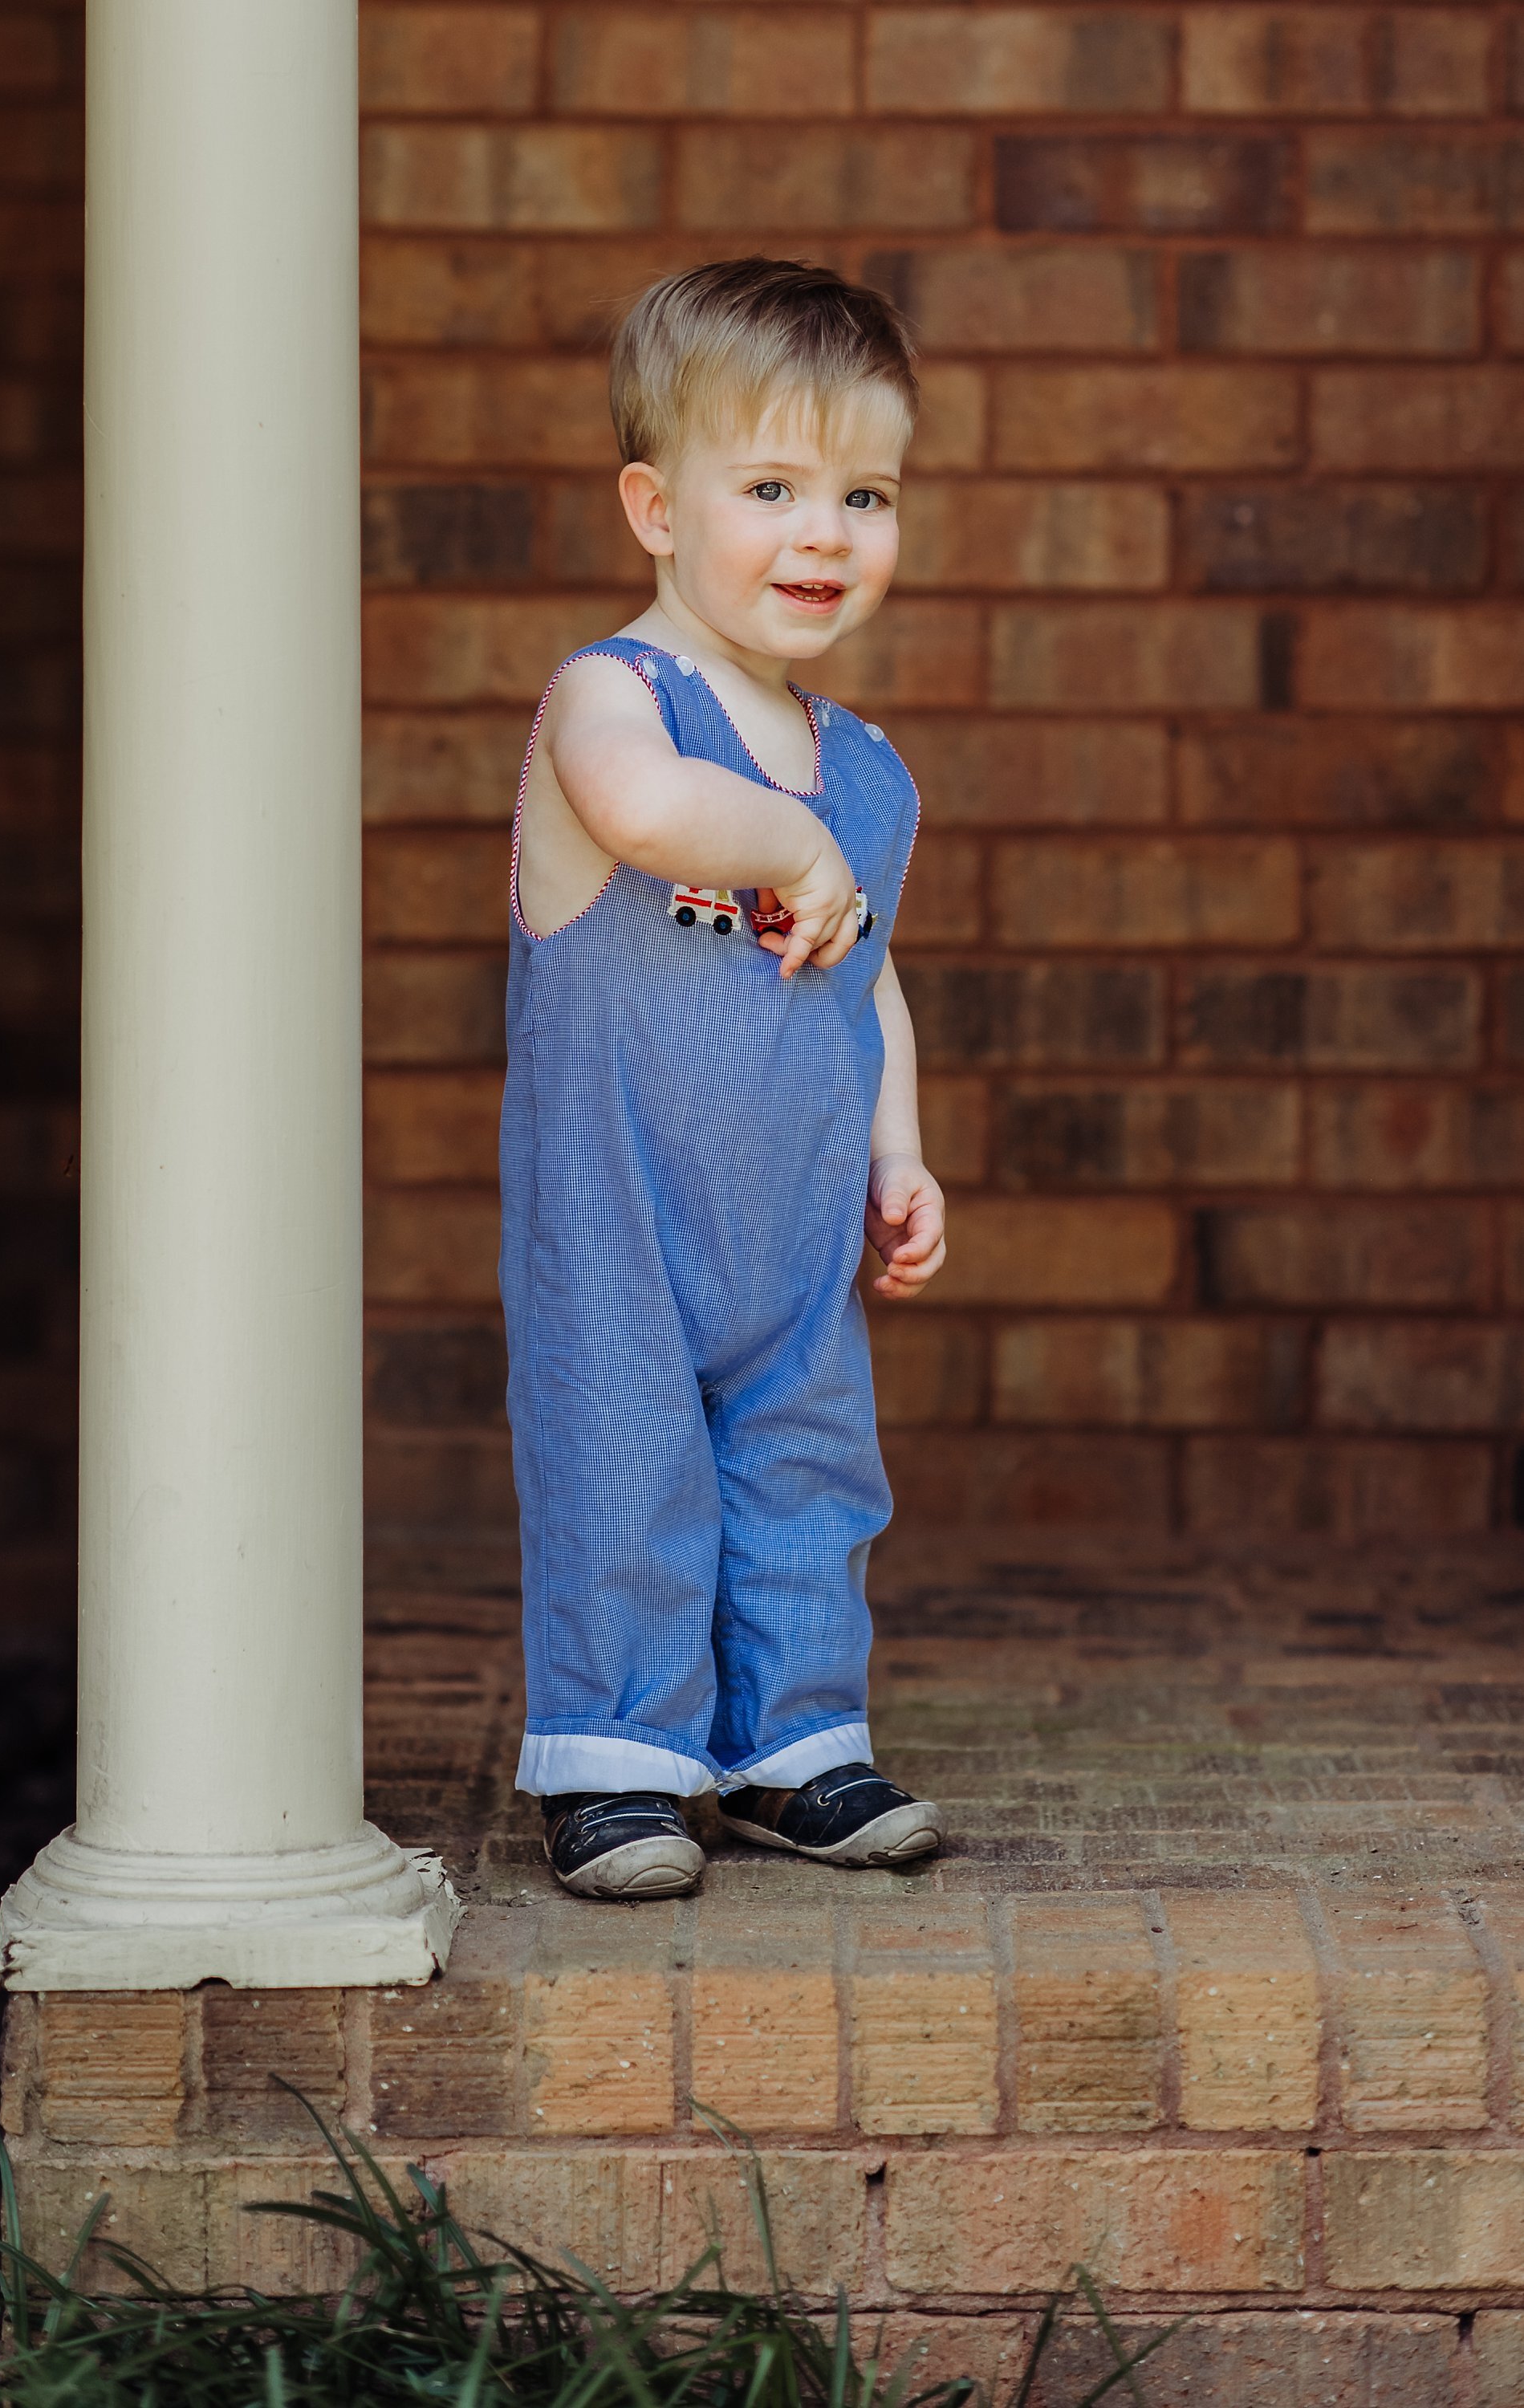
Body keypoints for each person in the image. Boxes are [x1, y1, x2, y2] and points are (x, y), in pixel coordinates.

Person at [500, 258, 948, 1898]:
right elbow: (641, 812)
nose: (825, 531)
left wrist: (901, 1153)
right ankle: (619, 1758)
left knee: (808, 1468)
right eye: (771, 487)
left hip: (792, 1227)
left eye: (865, 492)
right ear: (657, 508)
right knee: (628, 1460)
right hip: (616, 1221)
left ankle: (794, 1746)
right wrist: (783, 840)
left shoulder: (867, 772)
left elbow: (868, 976)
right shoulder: (615, 699)